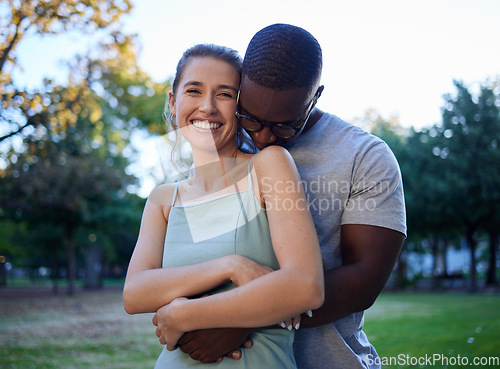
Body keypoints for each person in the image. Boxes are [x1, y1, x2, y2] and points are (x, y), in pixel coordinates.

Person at [162, 24, 407, 368]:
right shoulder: (226, 142)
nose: (263, 139)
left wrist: (241, 319)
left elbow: (364, 279)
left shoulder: (364, 156)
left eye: (284, 126)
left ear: (315, 96)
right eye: (252, 120)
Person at [123, 43, 324, 368]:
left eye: (225, 94)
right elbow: (134, 294)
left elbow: (306, 286)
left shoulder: (268, 166)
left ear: (241, 106)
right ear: (173, 102)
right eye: (194, 90)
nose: (207, 106)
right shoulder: (163, 199)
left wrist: (183, 313)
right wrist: (230, 266)